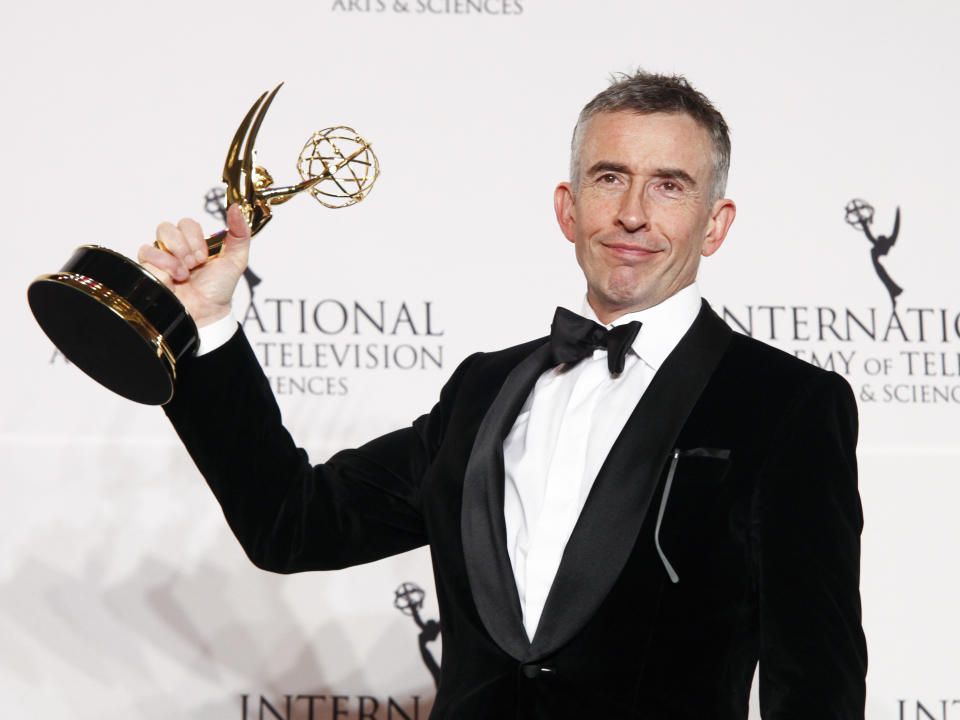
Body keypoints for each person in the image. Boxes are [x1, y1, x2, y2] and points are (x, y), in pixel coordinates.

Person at [139, 71, 867, 719]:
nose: (635, 213)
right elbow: (290, 524)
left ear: (715, 225)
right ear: (568, 208)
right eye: (609, 178)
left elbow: (817, 684)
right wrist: (206, 324)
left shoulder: (788, 405)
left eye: (670, 185)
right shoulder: (483, 391)